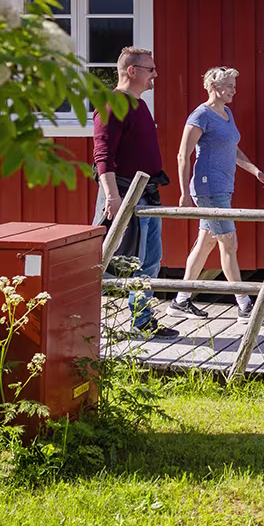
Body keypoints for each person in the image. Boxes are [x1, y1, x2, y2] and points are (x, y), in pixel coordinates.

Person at [166, 67, 264, 321]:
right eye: (230, 86)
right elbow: (183, 154)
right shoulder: (200, 115)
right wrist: (183, 194)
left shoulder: (227, 113)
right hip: (208, 188)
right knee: (229, 242)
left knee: (206, 244)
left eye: (235, 86)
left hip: (223, 186)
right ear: (213, 87)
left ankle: (180, 301)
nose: (234, 91)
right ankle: (245, 305)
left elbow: (233, 149)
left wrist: (255, 171)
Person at [93, 46, 176, 339]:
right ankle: (84, 322)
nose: (155, 74)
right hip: (126, 194)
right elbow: (102, 155)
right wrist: (113, 198)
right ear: (132, 71)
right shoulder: (112, 104)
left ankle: (142, 322)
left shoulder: (139, 105)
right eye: (150, 69)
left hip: (148, 193)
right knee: (113, 262)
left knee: (150, 260)